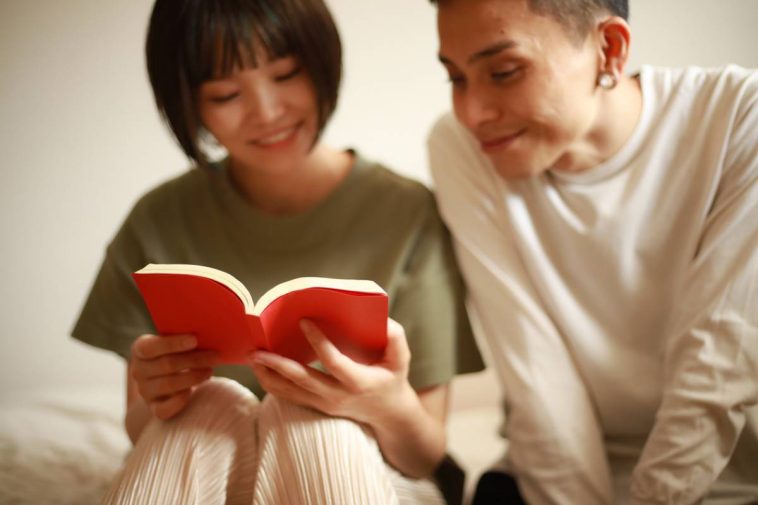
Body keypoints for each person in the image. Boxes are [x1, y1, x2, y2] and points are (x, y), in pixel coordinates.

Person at [71, 0, 484, 503]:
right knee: (205, 405)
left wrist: (385, 404)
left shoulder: (407, 214)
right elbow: (146, 432)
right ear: (188, 103)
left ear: (321, 63)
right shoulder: (158, 221)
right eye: (226, 94)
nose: (267, 113)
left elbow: (424, 457)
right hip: (214, 472)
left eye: (286, 74)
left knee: (310, 413)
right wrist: (156, 395)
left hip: (373, 472)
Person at [425, 0, 758, 504]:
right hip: (550, 476)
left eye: (505, 72)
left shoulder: (738, 115)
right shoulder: (462, 148)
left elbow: (718, 362)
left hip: (725, 473)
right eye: (455, 78)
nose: (472, 112)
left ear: (610, 49)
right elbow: (538, 374)